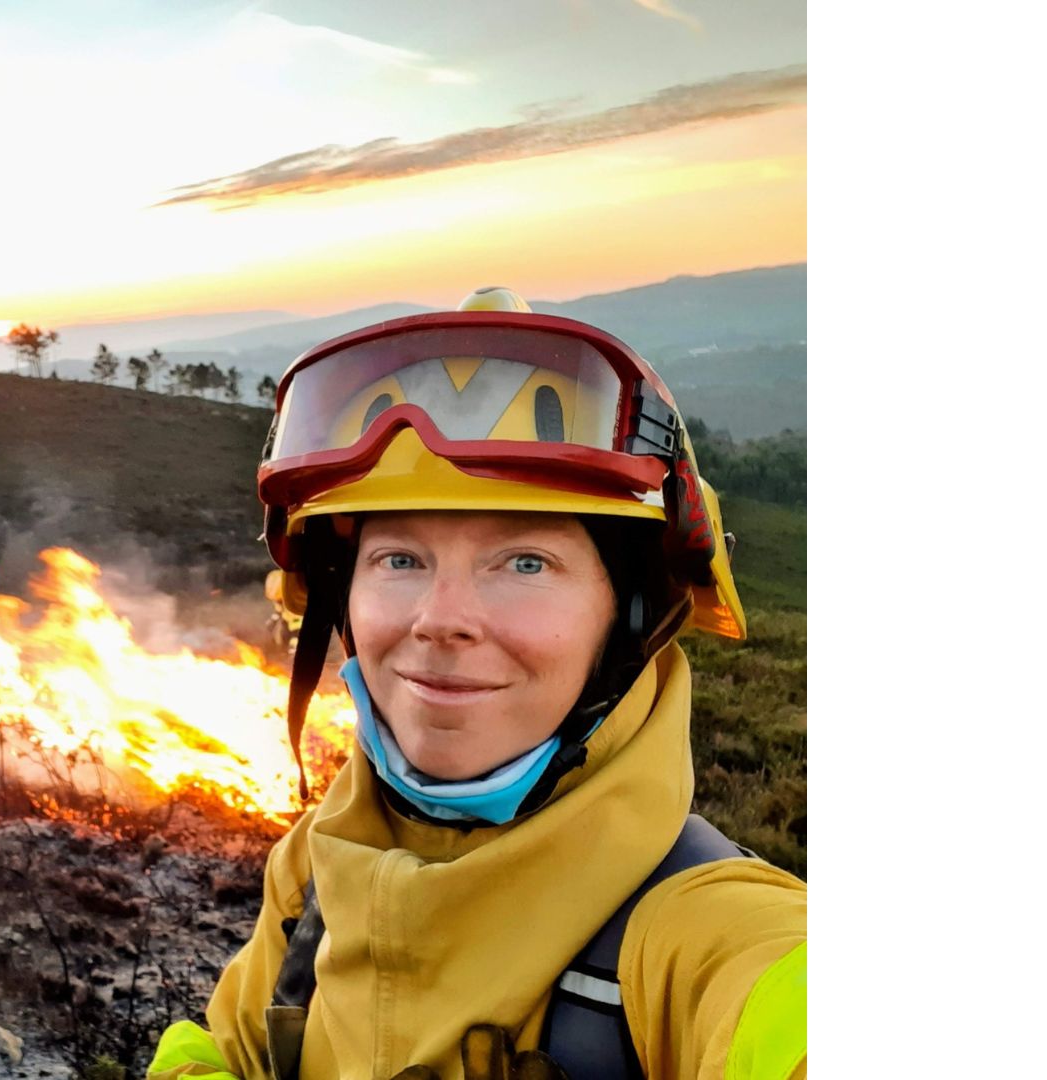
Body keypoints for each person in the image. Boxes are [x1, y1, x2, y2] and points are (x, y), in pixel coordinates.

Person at [146, 287, 805, 1079]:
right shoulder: (316, 870)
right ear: (339, 602)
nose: (439, 619)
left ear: (630, 617)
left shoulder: (702, 934)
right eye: (399, 559)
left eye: (525, 561)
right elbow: (226, 1055)